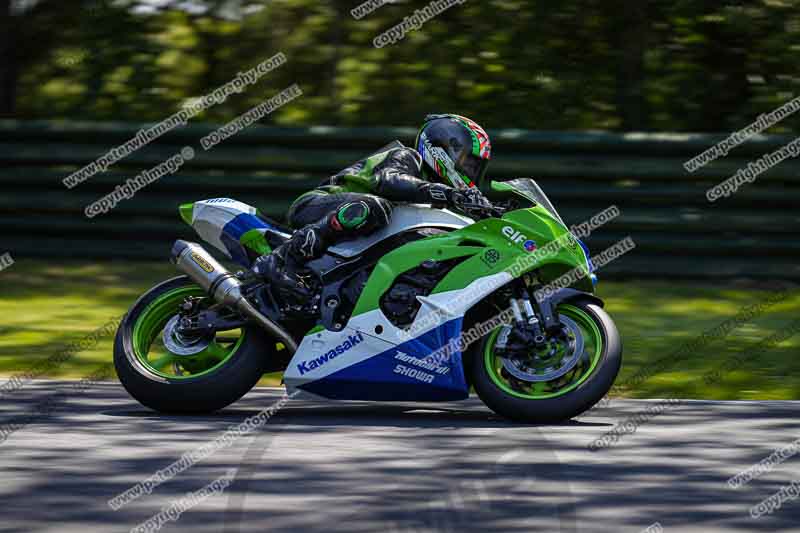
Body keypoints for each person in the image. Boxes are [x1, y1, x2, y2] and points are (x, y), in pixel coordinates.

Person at [254, 113, 494, 297]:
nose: (470, 173)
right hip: (316, 205)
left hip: (350, 236)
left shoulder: (436, 199)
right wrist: (451, 194)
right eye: (468, 163)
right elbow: (390, 182)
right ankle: (283, 259)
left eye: (476, 168)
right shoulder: (409, 157)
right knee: (375, 207)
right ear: (443, 147)